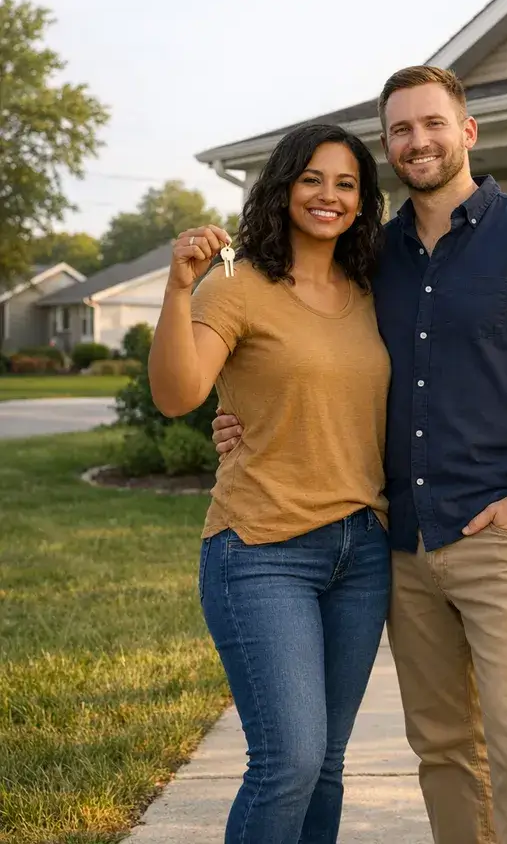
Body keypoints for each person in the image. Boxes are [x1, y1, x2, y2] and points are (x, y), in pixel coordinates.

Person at [213, 65, 507, 844]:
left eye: (433, 123)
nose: (418, 140)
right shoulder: (375, 258)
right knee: (442, 751)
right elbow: (309, 356)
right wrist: (235, 415)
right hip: (403, 545)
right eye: (401, 129)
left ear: (467, 131)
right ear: (389, 146)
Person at [148, 124, 391, 844]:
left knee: (328, 764)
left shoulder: (373, 288)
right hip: (261, 550)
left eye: (346, 183)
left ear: (362, 201)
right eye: (313, 178)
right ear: (283, 187)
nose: (329, 195)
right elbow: (178, 392)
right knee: (288, 760)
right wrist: (176, 285)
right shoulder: (237, 282)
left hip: (363, 552)